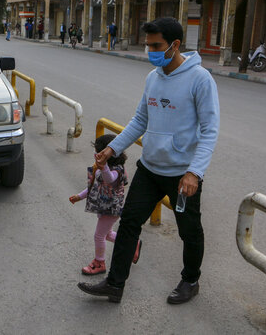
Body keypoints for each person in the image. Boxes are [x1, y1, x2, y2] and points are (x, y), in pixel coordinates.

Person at [77, 17, 220, 305]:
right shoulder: (153, 77)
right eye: (148, 45)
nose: (150, 51)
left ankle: (190, 280)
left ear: (175, 45)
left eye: (156, 45)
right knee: (129, 223)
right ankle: (114, 284)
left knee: (189, 231)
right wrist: (112, 149)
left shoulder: (200, 79)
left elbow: (210, 130)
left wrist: (195, 172)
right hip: (150, 168)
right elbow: (140, 119)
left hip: (182, 175)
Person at [69, 134, 141, 275]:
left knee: (98, 236)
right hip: (104, 206)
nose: (96, 155)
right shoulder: (104, 167)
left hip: (112, 209)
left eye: (99, 152)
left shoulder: (116, 169)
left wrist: (103, 167)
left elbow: (109, 180)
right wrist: (79, 196)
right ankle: (133, 244)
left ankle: (99, 262)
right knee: (107, 234)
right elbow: (95, 186)